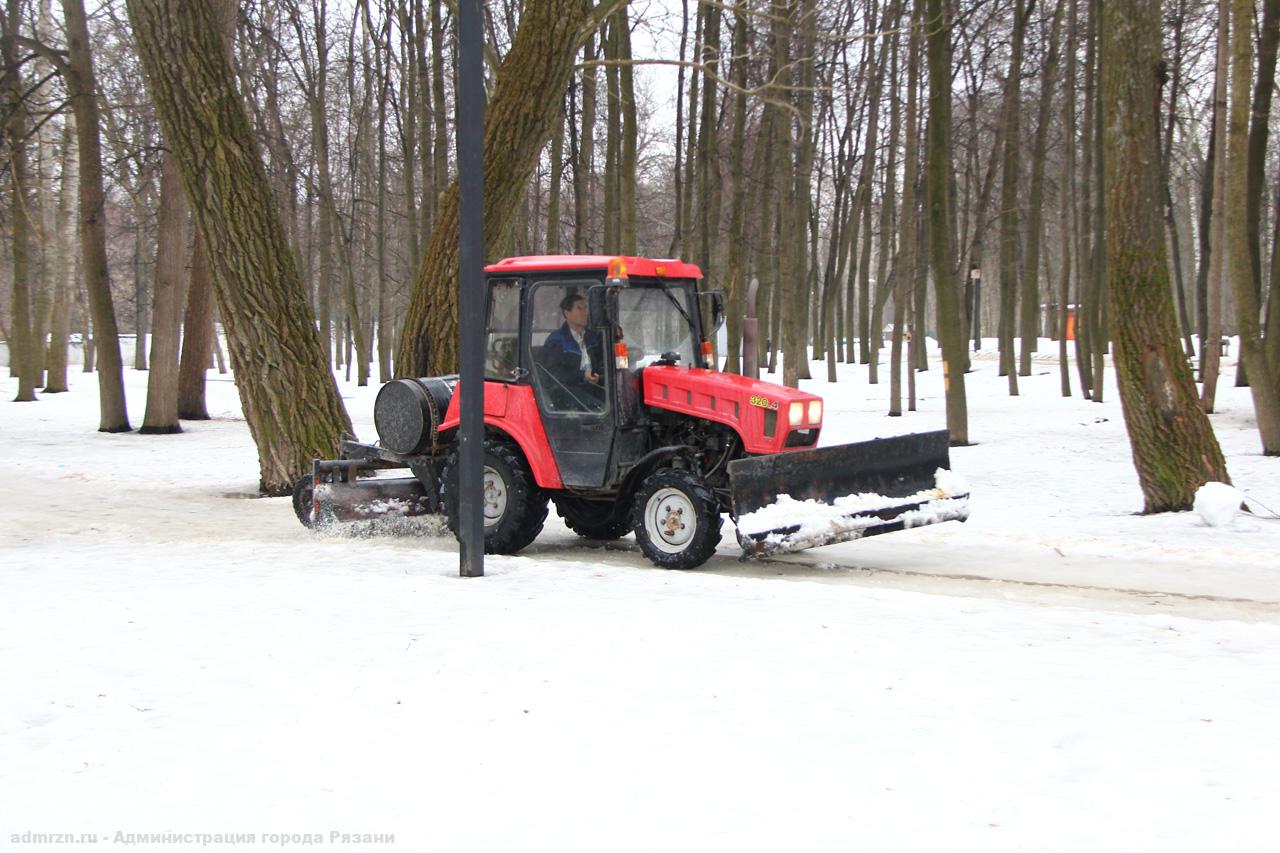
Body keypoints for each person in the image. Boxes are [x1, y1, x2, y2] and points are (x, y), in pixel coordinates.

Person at [541, 293, 604, 409]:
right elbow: (553, 374)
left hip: (592, 385)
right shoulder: (556, 340)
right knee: (598, 408)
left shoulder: (593, 337)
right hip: (567, 389)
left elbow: (602, 362)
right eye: (579, 308)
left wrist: (600, 376)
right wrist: (582, 376)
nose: (584, 312)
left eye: (586, 308)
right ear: (567, 313)